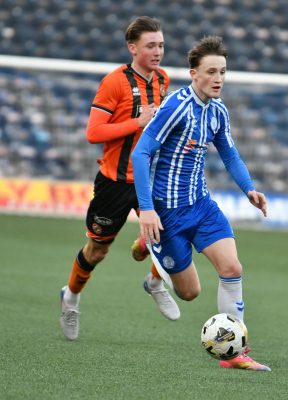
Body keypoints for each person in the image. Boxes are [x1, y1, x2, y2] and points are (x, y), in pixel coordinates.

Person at [132, 35, 271, 371]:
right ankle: (153, 265)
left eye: (222, 71)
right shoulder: (175, 107)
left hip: (202, 206)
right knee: (190, 293)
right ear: (194, 74)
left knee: (232, 269)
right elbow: (140, 153)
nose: (218, 78)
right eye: (211, 72)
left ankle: (235, 354)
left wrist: (249, 189)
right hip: (167, 213)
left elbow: (230, 154)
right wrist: (147, 209)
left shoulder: (218, 110)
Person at [59, 16, 180, 342]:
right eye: (151, 46)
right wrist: (136, 122)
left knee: (172, 234)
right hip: (113, 182)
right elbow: (93, 133)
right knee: (97, 251)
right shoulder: (114, 83)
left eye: (161, 45)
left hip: (148, 180)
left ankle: (154, 282)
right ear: (132, 47)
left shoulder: (163, 79)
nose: (158, 52)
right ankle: (71, 297)